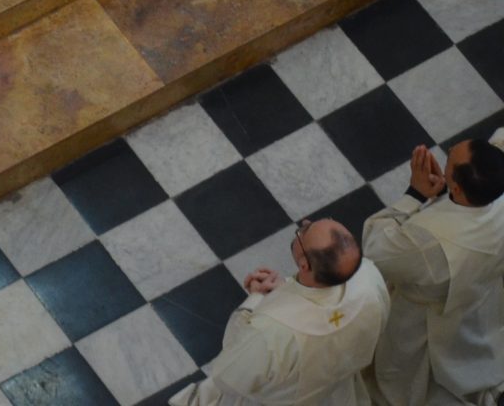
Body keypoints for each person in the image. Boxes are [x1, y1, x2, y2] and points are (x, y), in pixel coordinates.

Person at [172, 219, 388, 406]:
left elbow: (229, 375)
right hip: (336, 392)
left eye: (304, 231)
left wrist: (257, 298)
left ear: (304, 265)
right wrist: (284, 289)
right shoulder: (370, 279)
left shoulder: (271, 331)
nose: (303, 224)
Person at [363, 130, 504, 406]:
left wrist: (414, 194)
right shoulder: (496, 187)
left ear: (459, 188)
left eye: (450, 158)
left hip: (417, 311)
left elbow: (376, 250)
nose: (448, 151)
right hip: (478, 292)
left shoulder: (428, 242)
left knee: (402, 369)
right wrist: (442, 195)